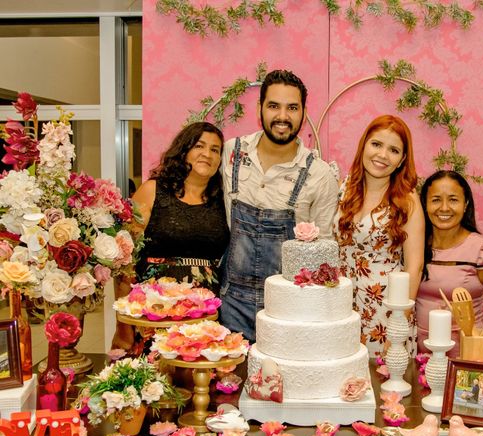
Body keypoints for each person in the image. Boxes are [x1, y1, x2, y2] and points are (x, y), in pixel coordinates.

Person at [219, 69, 339, 342]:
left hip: (289, 310)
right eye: (274, 106)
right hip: (230, 305)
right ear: (259, 108)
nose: (283, 117)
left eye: (292, 108)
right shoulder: (231, 153)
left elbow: (323, 253)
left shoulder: (319, 174)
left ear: (304, 113)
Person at [111, 121, 230, 351]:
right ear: (184, 150)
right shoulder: (152, 191)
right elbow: (124, 262)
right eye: (200, 146)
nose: (207, 154)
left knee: (199, 383)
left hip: (203, 318)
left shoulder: (223, 201)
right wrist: (123, 326)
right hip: (153, 312)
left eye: (215, 150)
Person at [335, 114, 425, 358]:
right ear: (364, 145)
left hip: (384, 312)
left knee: (381, 388)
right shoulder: (345, 188)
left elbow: (414, 268)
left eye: (393, 150)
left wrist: (399, 325)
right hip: (341, 307)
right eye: (376, 144)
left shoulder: (407, 202)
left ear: (402, 160)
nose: (383, 155)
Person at [415, 170, 483, 356]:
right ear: (424, 204)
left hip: (466, 355)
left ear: (466, 205)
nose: (444, 208)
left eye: (453, 199)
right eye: (436, 199)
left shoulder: (482, 250)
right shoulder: (414, 246)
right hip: (419, 353)